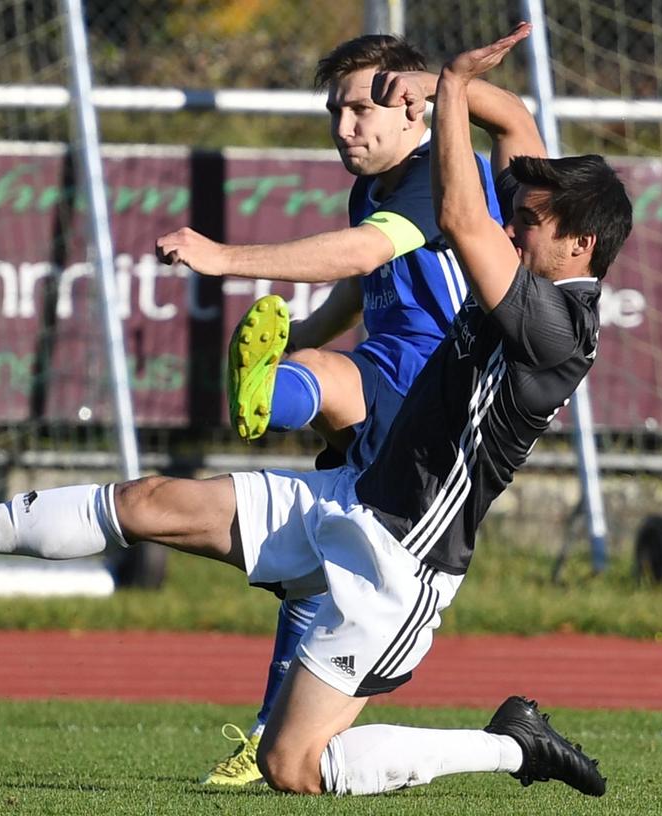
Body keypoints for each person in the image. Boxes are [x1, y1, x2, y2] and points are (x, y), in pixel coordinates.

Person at [0, 24, 632, 798]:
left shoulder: (552, 325)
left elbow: (463, 220)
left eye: (527, 222)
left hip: (403, 554)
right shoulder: (531, 272)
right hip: (355, 495)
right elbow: (520, 135)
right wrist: (445, 89)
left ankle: (510, 748)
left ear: (579, 246)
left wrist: (451, 88)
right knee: (147, 502)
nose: (511, 225)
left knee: (293, 767)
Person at [156, 32, 508, 784]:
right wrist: (307, 332)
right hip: (392, 372)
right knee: (319, 560)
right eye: (333, 111)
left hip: (434, 388)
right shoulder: (376, 183)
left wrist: (224, 259)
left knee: (319, 387)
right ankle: (265, 730)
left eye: (359, 109)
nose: (343, 127)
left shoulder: (435, 175)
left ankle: (271, 394)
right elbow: (362, 283)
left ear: (413, 108)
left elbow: (357, 255)